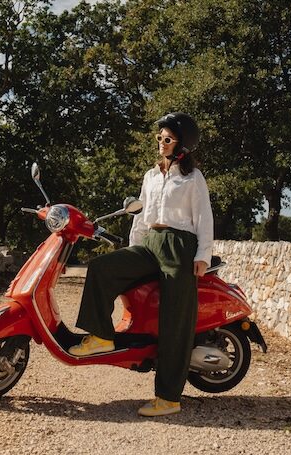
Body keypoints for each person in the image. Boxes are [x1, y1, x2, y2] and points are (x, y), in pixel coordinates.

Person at [70, 112, 214, 417]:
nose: (160, 143)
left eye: (167, 138)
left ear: (182, 145)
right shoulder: (150, 176)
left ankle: (168, 398)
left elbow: (204, 218)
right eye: (159, 137)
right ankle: (102, 337)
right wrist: (132, 252)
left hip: (179, 247)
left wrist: (202, 256)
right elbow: (140, 216)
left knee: (175, 323)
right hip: (149, 244)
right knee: (102, 267)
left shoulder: (192, 178)